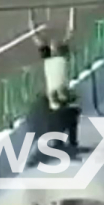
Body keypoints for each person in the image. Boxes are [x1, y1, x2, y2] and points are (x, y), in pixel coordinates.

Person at [28, 8, 80, 147]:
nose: (53, 44)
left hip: (64, 96)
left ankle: (71, 140)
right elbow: (36, 38)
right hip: (55, 99)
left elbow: (70, 32)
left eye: (56, 44)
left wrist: (72, 14)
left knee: (71, 120)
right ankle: (60, 141)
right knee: (58, 123)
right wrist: (32, 21)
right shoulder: (48, 58)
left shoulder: (64, 57)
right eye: (52, 44)